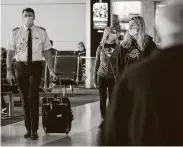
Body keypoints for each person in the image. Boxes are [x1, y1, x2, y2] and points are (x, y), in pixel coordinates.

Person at [100, 0, 183, 145]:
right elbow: (119, 66)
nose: (131, 28)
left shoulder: (142, 71)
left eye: (134, 26)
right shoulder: (125, 48)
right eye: (130, 26)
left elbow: (113, 134)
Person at [6, 8, 56, 140]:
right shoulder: (15, 32)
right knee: (24, 100)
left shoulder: (41, 32)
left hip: (35, 67)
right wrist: (9, 70)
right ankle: (28, 129)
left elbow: (47, 52)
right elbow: (10, 52)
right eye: (25, 15)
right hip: (20, 67)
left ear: (34, 17)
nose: (28, 17)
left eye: (30, 15)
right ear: (22, 17)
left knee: (33, 97)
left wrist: (51, 70)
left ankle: (34, 130)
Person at [93, 27, 121, 128]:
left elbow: (121, 64)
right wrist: (94, 78)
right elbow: (96, 64)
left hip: (113, 77)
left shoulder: (119, 47)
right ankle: (104, 119)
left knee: (112, 98)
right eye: (113, 32)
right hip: (101, 75)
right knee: (102, 98)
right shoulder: (100, 47)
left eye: (115, 32)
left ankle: (111, 118)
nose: (115, 34)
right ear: (107, 34)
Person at [1, 47, 8, 115]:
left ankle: (3, 107)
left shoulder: (2, 63)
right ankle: (3, 108)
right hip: (8, 85)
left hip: (5, 86)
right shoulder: (10, 61)